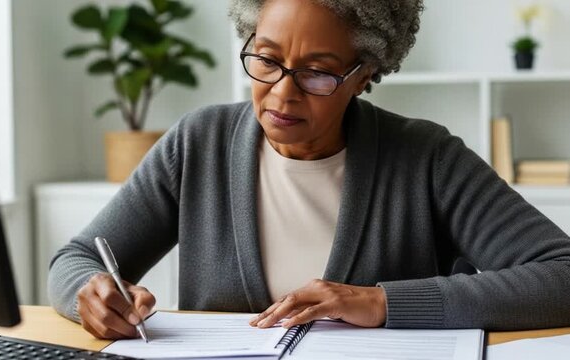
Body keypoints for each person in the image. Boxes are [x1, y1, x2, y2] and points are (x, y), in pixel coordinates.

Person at [48, 0, 570, 339]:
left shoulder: (426, 157)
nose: (282, 92)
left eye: (317, 73)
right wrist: (90, 295)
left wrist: (381, 302)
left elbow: (560, 276)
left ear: (364, 73)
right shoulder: (198, 143)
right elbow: (75, 260)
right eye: (267, 59)